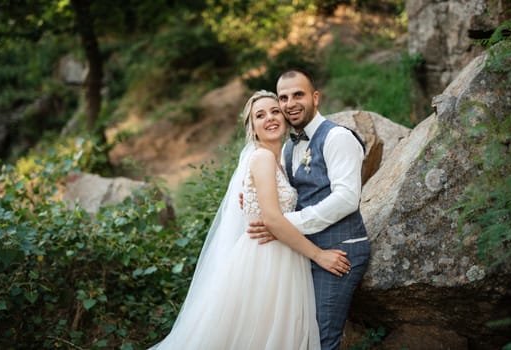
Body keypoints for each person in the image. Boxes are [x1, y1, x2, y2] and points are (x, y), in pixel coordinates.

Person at [149, 90, 351, 350]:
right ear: (252, 128)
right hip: (265, 262)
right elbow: (273, 220)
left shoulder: (281, 159)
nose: (269, 118)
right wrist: (320, 255)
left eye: (275, 111)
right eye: (260, 115)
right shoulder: (263, 158)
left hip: (283, 257)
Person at [247, 70, 371, 350]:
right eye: (284, 97)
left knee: (321, 340)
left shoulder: (337, 137)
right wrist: (255, 198)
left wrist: (285, 224)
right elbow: (291, 195)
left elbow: (347, 198)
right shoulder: (289, 148)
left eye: (298, 95)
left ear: (315, 97)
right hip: (303, 252)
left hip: (340, 251)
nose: (290, 103)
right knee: (298, 335)